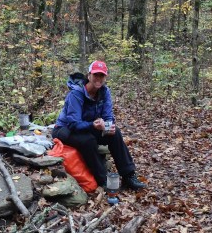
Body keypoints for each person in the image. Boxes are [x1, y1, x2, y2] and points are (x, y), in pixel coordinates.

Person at [52, 61, 145, 190]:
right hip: (65, 129)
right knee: (88, 141)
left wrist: (109, 126)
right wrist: (93, 125)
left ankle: (129, 176)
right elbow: (74, 123)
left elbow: (107, 116)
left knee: (115, 133)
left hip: (88, 127)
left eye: (102, 76)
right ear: (89, 75)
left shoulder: (105, 92)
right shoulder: (76, 94)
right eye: (96, 75)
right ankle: (102, 179)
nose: (98, 79)